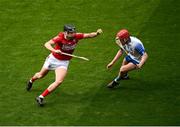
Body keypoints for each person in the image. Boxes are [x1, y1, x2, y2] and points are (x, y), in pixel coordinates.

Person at [26, 24, 103, 106]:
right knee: (40, 75)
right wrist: (54, 50)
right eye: (71, 32)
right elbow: (47, 44)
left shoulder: (76, 36)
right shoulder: (59, 38)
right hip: (53, 59)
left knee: (59, 81)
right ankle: (31, 80)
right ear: (65, 32)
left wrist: (97, 33)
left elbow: (88, 35)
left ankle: (41, 97)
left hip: (63, 62)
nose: (73, 34)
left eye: (74, 32)